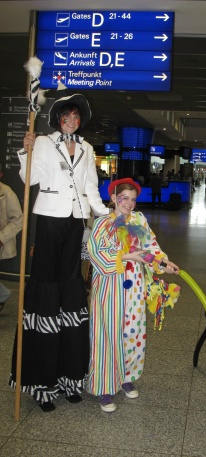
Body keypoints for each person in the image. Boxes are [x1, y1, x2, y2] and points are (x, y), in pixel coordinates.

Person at [9, 83, 110, 412]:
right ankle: (42, 384)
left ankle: (69, 378)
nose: (72, 120)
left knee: (70, 291)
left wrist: (108, 217)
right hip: (49, 221)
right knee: (46, 291)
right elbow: (29, 179)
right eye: (67, 115)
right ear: (58, 118)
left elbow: (91, 188)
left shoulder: (87, 148)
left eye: (76, 116)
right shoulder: (42, 141)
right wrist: (25, 152)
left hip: (75, 222)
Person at [86, 178, 179, 412]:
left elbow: (150, 247)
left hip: (135, 285)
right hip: (110, 287)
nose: (129, 203)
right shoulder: (102, 223)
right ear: (114, 198)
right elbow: (97, 255)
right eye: (124, 198)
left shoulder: (139, 220)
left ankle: (126, 377)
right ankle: (105, 388)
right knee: (108, 334)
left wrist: (163, 262)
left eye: (133, 199)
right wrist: (130, 257)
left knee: (133, 331)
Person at [0, 162, 23, 312]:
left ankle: (3, 295)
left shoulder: (7, 193)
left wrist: (1, 238)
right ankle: (3, 294)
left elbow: (18, 220)